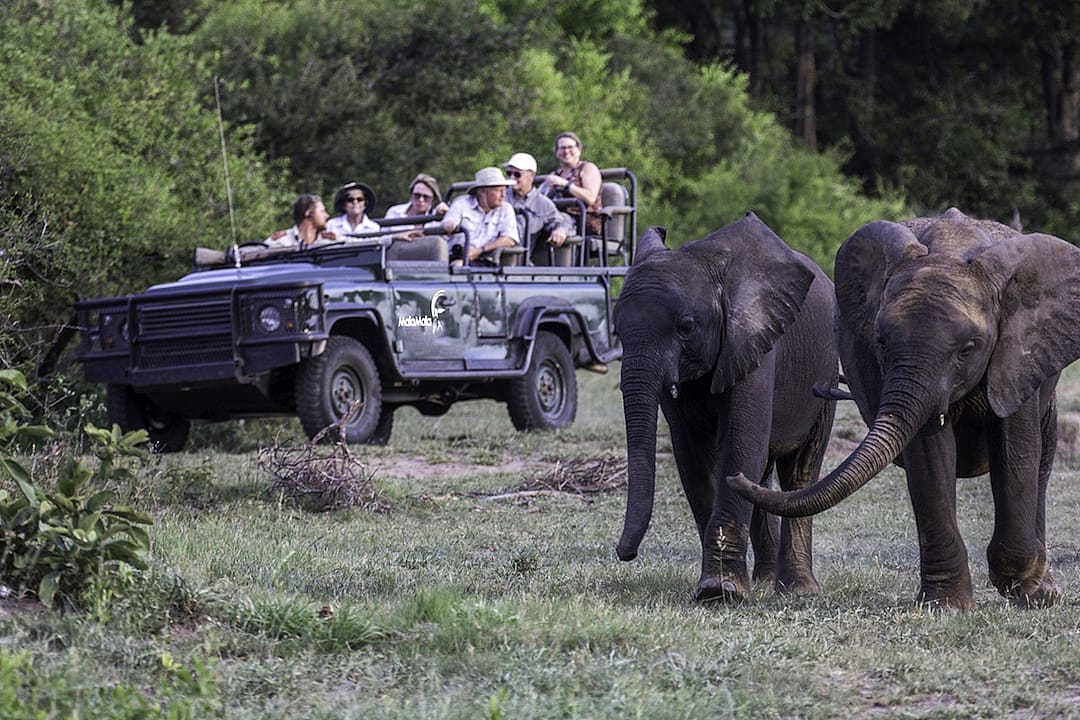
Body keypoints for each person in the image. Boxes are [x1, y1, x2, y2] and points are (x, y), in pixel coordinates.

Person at [503, 152, 574, 265]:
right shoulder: (501, 197)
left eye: (517, 174)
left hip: (518, 260)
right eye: (509, 173)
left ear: (531, 176)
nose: (512, 177)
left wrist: (560, 230)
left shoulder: (543, 203)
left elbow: (560, 221)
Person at [441, 166, 519, 266]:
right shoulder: (461, 204)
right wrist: (449, 225)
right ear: (482, 191)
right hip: (457, 256)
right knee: (456, 265)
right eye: (498, 190)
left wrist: (480, 250)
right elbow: (449, 222)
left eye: (504, 190)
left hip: (487, 261)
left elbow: (510, 239)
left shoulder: (506, 209)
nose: (503, 195)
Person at [539, 131, 603, 235]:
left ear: (579, 149)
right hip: (556, 218)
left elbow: (590, 198)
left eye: (570, 147)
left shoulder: (587, 168)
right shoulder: (555, 175)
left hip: (583, 222)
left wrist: (566, 184)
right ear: (556, 152)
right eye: (562, 148)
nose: (566, 151)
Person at [383, 173, 449, 241]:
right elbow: (380, 239)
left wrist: (448, 215)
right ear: (411, 195)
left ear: (433, 199)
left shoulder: (437, 217)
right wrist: (394, 237)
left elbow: (449, 240)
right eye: (417, 195)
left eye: (426, 197)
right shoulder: (394, 212)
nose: (421, 200)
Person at [264, 194, 331, 249]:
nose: (327, 216)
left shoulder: (329, 242)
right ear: (308, 213)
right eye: (322, 211)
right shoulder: (282, 241)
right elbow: (259, 254)